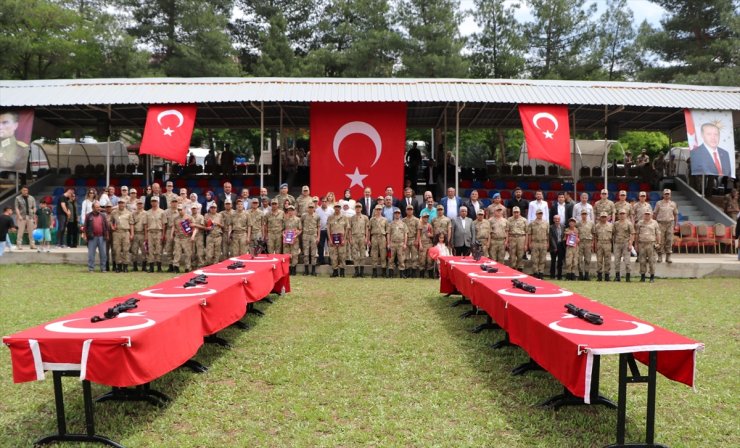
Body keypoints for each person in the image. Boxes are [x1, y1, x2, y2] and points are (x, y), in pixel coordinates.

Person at [82, 201, 109, 272]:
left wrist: (107, 235)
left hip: (102, 237)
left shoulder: (103, 215)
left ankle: (103, 268)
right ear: (93, 208)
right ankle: (91, 268)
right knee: (91, 254)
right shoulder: (88, 216)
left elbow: (106, 226)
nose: (98, 208)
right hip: (92, 237)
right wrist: (85, 235)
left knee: (103, 254)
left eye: (99, 207)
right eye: (97, 207)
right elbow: (85, 226)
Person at [653, 189, 678, 263]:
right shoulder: (659, 203)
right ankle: (660, 256)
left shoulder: (673, 204)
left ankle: (668, 256)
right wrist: (655, 224)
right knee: (660, 240)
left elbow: (675, 215)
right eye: (665, 194)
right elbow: (655, 214)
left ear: (670, 195)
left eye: (668, 194)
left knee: (669, 240)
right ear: (663, 195)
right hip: (660, 223)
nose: (667, 195)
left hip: (670, 223)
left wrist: (675, 225)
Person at [635, 210, 660, 282]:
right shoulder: (640, 223)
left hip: (651, 244)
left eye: (648, 214)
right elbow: (637, 234)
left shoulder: (655, 223)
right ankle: (643, 277)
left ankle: (652, 277)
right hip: (642, 244)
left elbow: (658, 233)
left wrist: (658, 243)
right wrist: (636, 244)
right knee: (642, 261)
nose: (647, 216)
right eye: (645, 214)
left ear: (651, 215)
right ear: (643, 215)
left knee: (652, 261)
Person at [110, 199, 134, 272]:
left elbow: (131, 224)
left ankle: (125, 266)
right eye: (120, 203)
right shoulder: (114, 212)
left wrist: (132, 233)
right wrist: (112, 226)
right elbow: (111, 221)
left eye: (122, 203)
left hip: (126, 232)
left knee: (126, 250)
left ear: (125, 204)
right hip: (117, 232)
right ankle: (119, 266)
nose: (121, 204)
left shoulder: (129, 213)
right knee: (116, 250)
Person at [171, 204, 196, 273]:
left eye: (181, 209)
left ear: (184, 209)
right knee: (177, 253)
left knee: (187, 253)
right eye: (178, 210)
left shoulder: (189, 218)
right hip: (178, 238)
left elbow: (194, 228)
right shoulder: (176, 218)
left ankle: (187, 267)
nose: (179, 211)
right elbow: (174, 227)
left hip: (186, 238)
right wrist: (171, 234)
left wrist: (193, 236)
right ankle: (176, 267)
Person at [612, 209, 635, 282]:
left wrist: (630, 244)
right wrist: (614, 244)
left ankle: (628, 277)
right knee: (616, 261)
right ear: (618, 215)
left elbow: (632, 234)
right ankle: (617, 276)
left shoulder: (629, 223)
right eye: (620, 214)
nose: (622, 215)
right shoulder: (616, 224)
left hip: (626, 243)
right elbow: (613, 234)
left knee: (627, 261)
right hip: (617, 244)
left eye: (623, 214)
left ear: (626, 215)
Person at [145, 196, 166, 272]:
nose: (154, 202)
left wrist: (163, 234)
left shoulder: (162, 212)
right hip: (150, 232)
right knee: (150, 249)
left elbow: (164, 224)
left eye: (155, 201)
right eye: (153, 201)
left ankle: (159, 267)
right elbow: (146, 225)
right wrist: (146, 235)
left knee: (159, 249)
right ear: (151, 202)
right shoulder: (147, 212)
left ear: (158, 202)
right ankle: (151, 267)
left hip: (159, 232)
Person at [327, 203, 349, 277]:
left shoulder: (344, 217)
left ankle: (342, 272)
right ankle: (335, 272)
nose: (337, 208)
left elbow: (346, 229)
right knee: (333, 256)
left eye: (338, 207)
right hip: (333, 238)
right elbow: (328, 229)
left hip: (341, 238)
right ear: (334, 208)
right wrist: (330, 239)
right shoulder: (330, 217)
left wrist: (344, 239)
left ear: (340, 208)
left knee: (342, 256)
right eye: (336, 207)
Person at [526, 209, 549, 279]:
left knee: (542, 259)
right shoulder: (532, 223)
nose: (540, 215)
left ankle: (541, 272)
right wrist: (529, 243)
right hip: (535, 242)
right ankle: (535, 272)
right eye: (539, 213)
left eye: (541, 213)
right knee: (534, 259)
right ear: (536, 214)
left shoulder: (546, 223)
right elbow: (529, 234)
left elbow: (547, 234)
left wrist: (548, 243)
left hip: (543, 242)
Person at [14, 185, 37, 250]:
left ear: (28, 191)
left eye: (26, 190)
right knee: (20, 231)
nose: (25, 191)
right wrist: (19, 216)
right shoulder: (17, 198)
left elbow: (34, 206)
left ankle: (32, 244)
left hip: (30, 216)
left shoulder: (31, 198)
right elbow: (16, 208)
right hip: (22, 217)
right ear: (21, 191)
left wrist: (34, 212)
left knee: (31, 232)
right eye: (24, 190)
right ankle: (19, 245)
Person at [349, 203, 370, 277]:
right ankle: (356, 272)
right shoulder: (351, 218)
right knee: (355, 255)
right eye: (356, 207)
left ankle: (361, 272)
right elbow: (350, 229)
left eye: (359, 207)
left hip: (362, 237)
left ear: (361, 208)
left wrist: (366, 238)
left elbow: (367, 228)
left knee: (362, 254)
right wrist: (350, 238)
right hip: (354, 237)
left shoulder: (365, 218)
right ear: (355, 208)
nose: (358, 209)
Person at [387, 209, 409, 278]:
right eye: (396, 213)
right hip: (392, 243)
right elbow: (388, 234)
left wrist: (405, 244)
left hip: (401, 243)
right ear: (394, 214)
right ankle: (391, 273)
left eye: (398, 213)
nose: (397, 214)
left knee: (401, 259)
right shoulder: (390, 224)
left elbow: (405, 234)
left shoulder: (403, 224)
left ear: (400, 214)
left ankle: (401, 273)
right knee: (391, 259)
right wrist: (388, 243)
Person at [593, 212, 614, 282]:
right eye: (602, 217)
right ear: (600, 217)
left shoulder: (611, 225)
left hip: (608, 243)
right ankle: (599, 276)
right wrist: (595, 245)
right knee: (599, 260)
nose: (603, 218)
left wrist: (612, 246)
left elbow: (613, 235)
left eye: (605, 217)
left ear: (607, 217)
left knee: (607, 260)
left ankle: (607, 276)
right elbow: (595, 237)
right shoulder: (597, 226)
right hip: (599, 243)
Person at [301, 202, 321, 276]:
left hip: (313, 236)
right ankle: (306, 270)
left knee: (313, 253)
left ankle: (313, 270)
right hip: (305, 235)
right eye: (309, 207)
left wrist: (318, 237)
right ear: (307, 208)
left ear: (314, 208)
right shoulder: (303, 216)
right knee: (306, 253)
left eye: (312, 207)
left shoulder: (317, 216)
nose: (311, 209)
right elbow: (301, 226)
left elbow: (319, 227)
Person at [368, 205, 388, 278]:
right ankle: (374, 272)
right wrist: (368, 240)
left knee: (383, 254)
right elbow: (369, 230)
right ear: (375, 210)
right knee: (374, 255)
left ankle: (384, 272)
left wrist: (387, 241)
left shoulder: (385, 219)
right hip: (374, 237)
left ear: (381, 210)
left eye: (380, 209)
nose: (378, 211)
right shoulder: (372, 219)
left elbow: (387, 231)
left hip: (382, 237)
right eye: (377, 209)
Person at [506, 206, 527, 271]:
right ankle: (512, 268)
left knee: (520, 255)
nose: (516, 214)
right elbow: (507, 231)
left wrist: (526, 244)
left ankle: (520, 269)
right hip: (512, 238)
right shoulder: (509, 220)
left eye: (517, 212)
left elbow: (527, 233)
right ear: (512, 212)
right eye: (515, 212)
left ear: (519, 212)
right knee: (512, 255)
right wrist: (507, 241)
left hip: (521, 238)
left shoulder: (524, 220)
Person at [282, 205, 302, 275]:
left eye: (292, 210)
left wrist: (296, 235)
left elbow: (300, 230)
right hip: (286, 240)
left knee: (294, 254)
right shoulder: (285, 219)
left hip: (294, 240)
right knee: (287, 254)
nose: (290, 212)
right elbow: (283, 230)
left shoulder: (297, 219)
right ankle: (288, 269)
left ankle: (293, 269)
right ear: (287, 211)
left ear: (294, 211)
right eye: (289, 210)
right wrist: (284, 235)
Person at [576, 210, 594, 280]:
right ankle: (580, 274)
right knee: (579, 259)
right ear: (581, 215)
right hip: (580, 242)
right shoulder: (578, 224)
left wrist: (593, 243)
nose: (584, 215)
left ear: (587, 215)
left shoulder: (591, 223)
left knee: (587, 259)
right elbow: (575, 232)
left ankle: (586, 274)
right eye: (583, 214)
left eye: (585, 214)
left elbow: (593, 233)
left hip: (588, 242)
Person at [130, 198, 148, 272]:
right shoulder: (133, 213)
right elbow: (131, 224)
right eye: (138, 204)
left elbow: (147, 225)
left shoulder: (146, 213)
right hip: (136, 233)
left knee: (144, 251)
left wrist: (146, 235)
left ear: (143, 205)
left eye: (141, 204)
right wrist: (132, 234)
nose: (140, 205)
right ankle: (135, 266)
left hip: (143, 234)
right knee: (134, 250)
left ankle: (144, 266)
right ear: (136, 205)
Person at [549, 215, 566, 280]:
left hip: (561, 246)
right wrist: (555, 247)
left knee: (560, 261)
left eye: (558, 219)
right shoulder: (551, 227)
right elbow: (551, 238)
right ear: (553, 220)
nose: (557, 220)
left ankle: (559, 275)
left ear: (560, 219)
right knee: (553, 261)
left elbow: (564, 236)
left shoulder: (563, 226)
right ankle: (552, 275)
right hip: (553, 246)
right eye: (555, 219)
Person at [417, 214, 435, 278]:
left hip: (429, 244)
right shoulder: (420, 225)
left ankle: (430, 275)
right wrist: (420, 245)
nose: (426, 218)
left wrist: (431, 235)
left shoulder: (430, 225)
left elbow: (433, 235)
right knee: (422, 260)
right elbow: (418, 236)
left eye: (427, 217)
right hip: (423, 244)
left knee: (430, 260)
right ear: (422, 218)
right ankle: (421, 275)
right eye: (424, 217)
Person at [316, 197, 332, 265]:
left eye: (325, 201)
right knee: (320, 246)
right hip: (321, 230)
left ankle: (331, 260)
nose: (324, 203)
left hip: (329, 230)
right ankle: (321, 260)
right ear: (320, 202)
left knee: (331, 245)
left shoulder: (331, 210)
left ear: (327, 202)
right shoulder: (317, 210)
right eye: (323, 201)